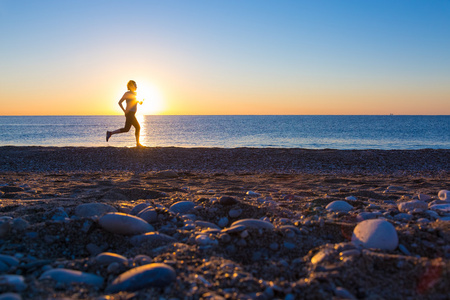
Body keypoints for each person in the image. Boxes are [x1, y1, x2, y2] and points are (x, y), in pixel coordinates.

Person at [106, 80, 144, 147]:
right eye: (135, 85)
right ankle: (138, 144)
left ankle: (110, 133)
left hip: (132, 114)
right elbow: (119, 102)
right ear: (131, 86)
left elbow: (136, 101)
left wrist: (141, 102)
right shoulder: (127, 94)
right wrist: (124, 111)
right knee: (137, 127)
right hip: (129, 114)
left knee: (127, 129)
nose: (136, 86)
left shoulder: (135, 94)